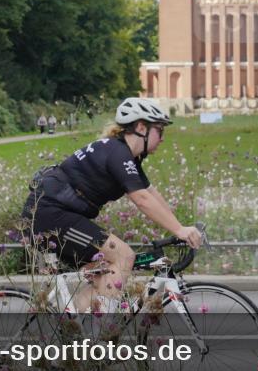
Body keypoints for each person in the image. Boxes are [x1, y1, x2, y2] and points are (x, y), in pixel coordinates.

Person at [21, 97, 203, 312]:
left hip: (56, 215)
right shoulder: (118, 153)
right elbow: (142, 200)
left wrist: (181, 228)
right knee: (124, 255)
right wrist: (179, 230)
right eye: (159, 130)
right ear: (141, 128)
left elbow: (151, 194)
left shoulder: (125, 156)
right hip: (51, 216)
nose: (162, 138)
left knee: (105, 272)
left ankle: (79, 328)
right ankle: (102, 328)